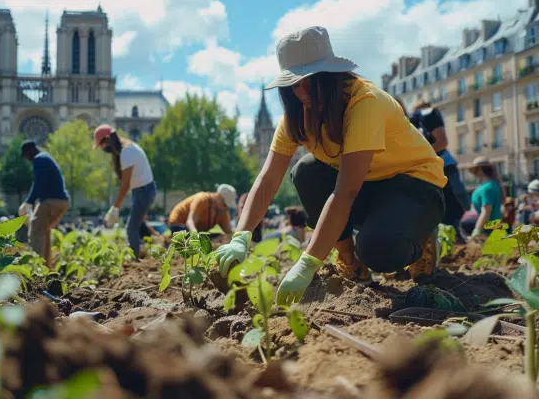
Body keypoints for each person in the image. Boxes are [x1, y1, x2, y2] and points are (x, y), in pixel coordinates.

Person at [214, 26, 446, 306]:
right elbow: (268, 178)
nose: (301, 92)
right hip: (368, 189)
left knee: (379, 252)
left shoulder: (363, 103)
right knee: (306, 170)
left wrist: (307, 262)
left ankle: (420, 241)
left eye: (309, 82)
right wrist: (242, 235)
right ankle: (350, 261)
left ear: (331, 76)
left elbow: (346, 191)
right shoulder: (296, 117)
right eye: (294, 84)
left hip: (415, 188)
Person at [93, 125, 157, 259]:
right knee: (136, 224)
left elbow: (125, 185)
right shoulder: (128, 148)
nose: (103, 148)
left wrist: (115, 208)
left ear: (109, 139)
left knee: (131, 228)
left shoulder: (126, 153)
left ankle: (134, 259)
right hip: (142, 190)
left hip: (143, 191)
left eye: (103, 144)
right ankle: (142, 251)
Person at [410, 100, 469, 242]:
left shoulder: (428, 116)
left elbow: (442, 141)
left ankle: (456, 237)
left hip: (443, 166)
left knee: (452, 201)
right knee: (443, 205)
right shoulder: (423, 125)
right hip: (437, 167)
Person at [19, 141, 70, 268]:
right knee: (44, 232)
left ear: (30, 150)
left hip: (50, 201)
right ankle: (47, 269)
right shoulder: (46, 157)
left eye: (26, 155)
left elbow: (38, 184)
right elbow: (38, 183)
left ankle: (37, 268)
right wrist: (29, 201)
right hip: (62, 201)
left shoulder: (39, 159)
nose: (27, 159)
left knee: (35, 230)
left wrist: (28, 202)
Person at [460, 157, 503, 239]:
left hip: (489, 227)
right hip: (491, 225)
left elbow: (486, 212)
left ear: (480, 170)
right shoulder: (490, 185)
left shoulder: (487, 188)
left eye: (475, 170)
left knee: (463, 224)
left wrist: (476, 231)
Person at [168, 184, 236, 234]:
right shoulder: (202, 199)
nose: (226, 207)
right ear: (218, 196)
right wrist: (196, 236)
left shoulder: (223, 209)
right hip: (179, 225)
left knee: (218, 236)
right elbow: (190, 222)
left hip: (197, 229)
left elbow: (228, 231)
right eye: (224, 203)